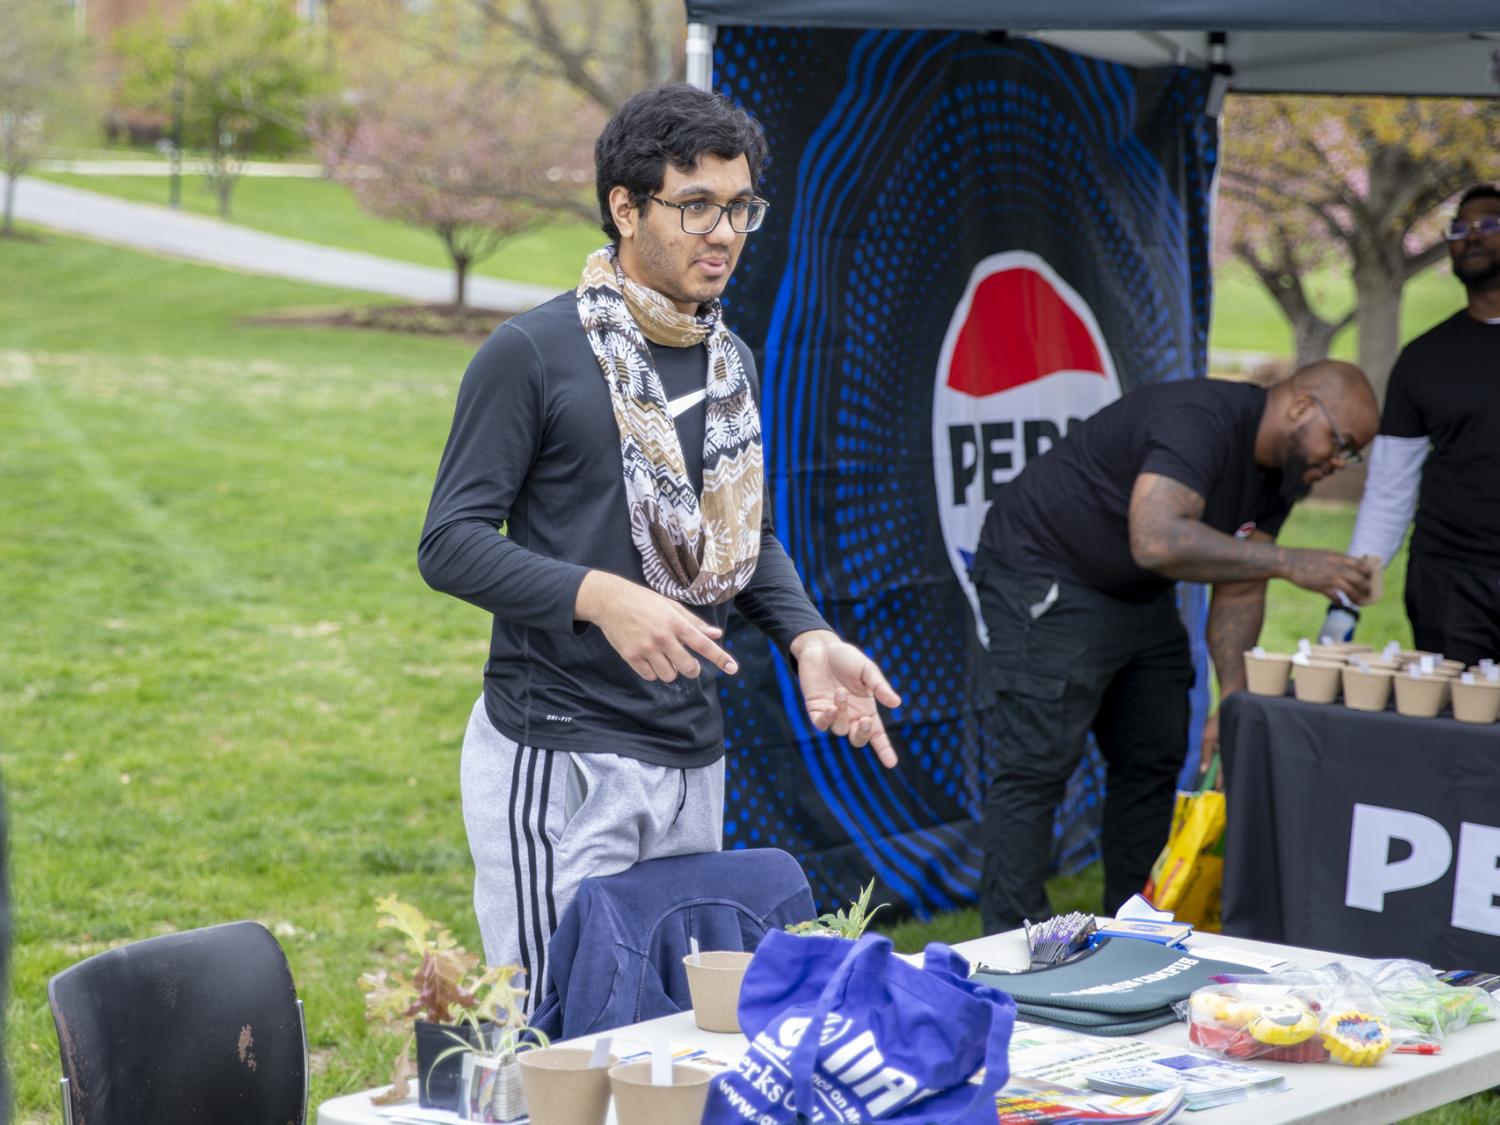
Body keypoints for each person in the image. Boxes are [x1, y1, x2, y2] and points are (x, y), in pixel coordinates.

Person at [418, 85, 900, 987]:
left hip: (691, 757)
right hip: (558, 750)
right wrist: (599, 598)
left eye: (739, 207)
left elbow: (743, 539)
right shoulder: (531, 353)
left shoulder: (731, 359)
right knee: (552, 1028)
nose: (722, 232)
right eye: (695, 206)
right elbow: (448, 541)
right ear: (625, 207)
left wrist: (809, 636)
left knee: (668, 1031)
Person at [973, 360, 1379, 932]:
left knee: (1154, 753)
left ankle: (1132, 928)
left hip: (1137, 592)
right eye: (1341, 443)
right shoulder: (1201, 421)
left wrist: (1233, 701)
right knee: (1037, 764)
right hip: (1045, 570)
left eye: (1352, 455)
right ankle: (1014, 946)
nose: (1339, 462)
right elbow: (1157, 537)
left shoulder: (1286, 469)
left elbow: (1240, 581)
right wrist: (1294, 563)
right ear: (1300, 405)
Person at [1321, 184, 1500, 665]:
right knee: (1454, 729)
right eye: (1459, 228)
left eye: (1489, 225)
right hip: (1449, 579)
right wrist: (1346, 604)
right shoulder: (1422, 359)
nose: (1471, 237)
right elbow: (1389, 488)